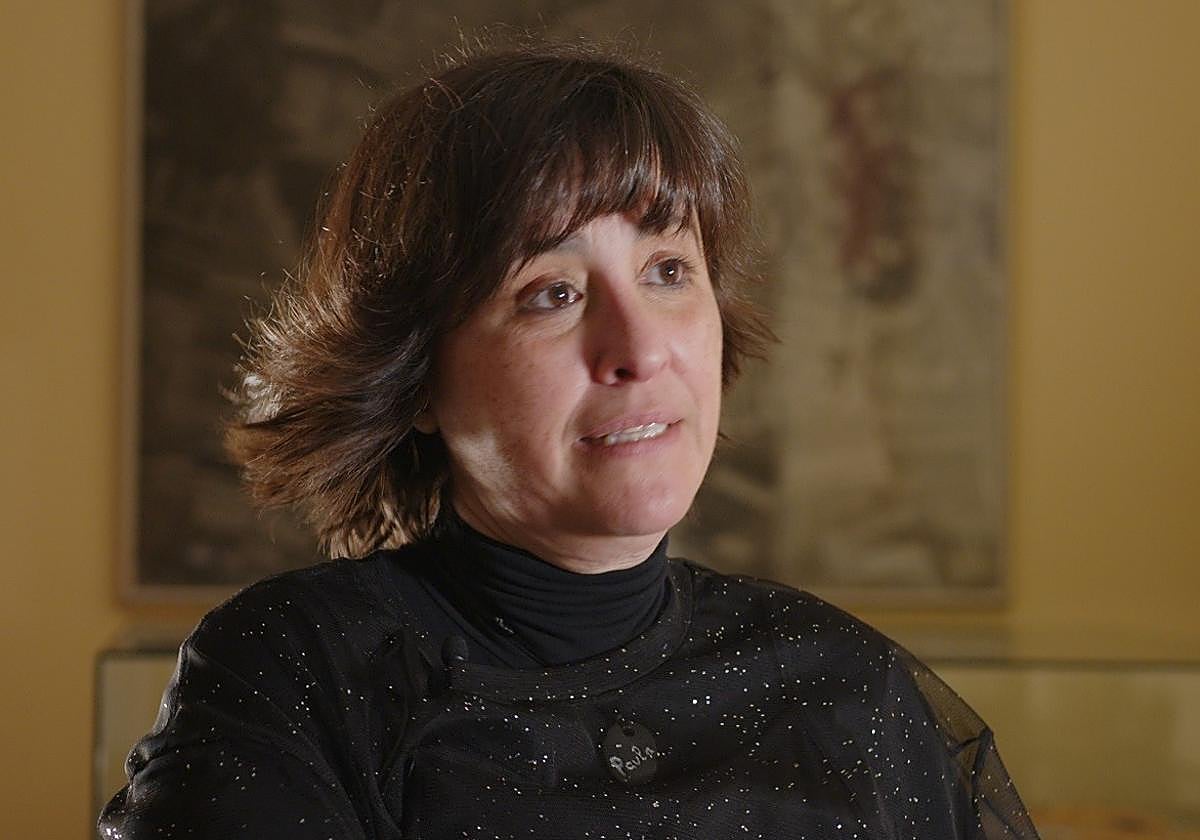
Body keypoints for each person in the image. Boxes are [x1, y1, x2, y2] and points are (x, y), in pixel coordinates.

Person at [99, 39, 1040, 839]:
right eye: (552, 293)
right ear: (418, 376)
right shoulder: (290, 676)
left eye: (668, 270)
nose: (640, 349)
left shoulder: (852, 687)